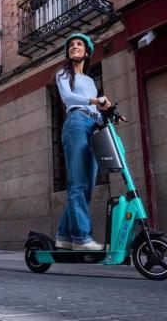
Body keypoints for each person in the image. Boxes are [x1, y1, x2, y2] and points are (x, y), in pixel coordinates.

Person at [55, 33, 112, 251]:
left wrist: (108, 114)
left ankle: (63, 236)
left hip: (93, 126)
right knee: (77, 182)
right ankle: (81, 238)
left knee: (87, 184)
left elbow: (95, 109)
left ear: (86, 52)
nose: (75, 47)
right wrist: (94, 101)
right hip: (76, 122)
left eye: (79, 44)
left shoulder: (89, 81)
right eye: (71, 45)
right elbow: (68, 98)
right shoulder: (63, 73)